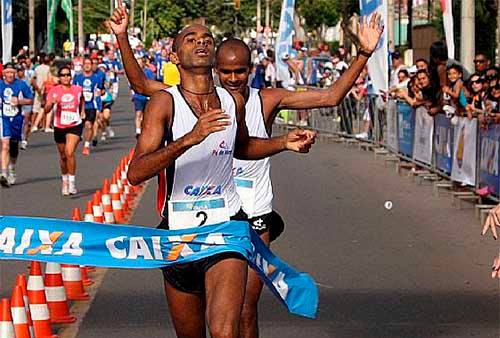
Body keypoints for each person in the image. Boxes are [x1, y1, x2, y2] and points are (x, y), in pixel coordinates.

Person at [109, 5, 382, 337]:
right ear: (176, 57)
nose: (201, 42)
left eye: (207, 38)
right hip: (179, 233)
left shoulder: (234, 102)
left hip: (232, 226)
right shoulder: (164, 102)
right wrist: (190, 138)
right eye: (191, 38)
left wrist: (284, 142)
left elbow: (244, 147)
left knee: (232, 324)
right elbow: (136, 172)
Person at [44, 66, 85, 195]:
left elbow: (82, 99)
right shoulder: (54, 91)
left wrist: (82, 111)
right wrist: (52, 103)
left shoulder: (77, 89)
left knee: (69, 152)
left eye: (68, 75)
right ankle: (65, 180)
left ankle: (72, 182)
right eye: (63, 75)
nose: (66, 77)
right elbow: (46, 110)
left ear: (71, 77)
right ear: (59, 77)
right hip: (60, 126)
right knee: (62, 156)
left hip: (75, 124)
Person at [0, 63, 34, 187]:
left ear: (15, 73)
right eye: (7, 72)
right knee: (5, 145)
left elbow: (30, 99)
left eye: (11, 72)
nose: (9, 75)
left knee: (13, 148)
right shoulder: (0, 84)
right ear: (3, 73)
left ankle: (12, 170)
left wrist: (19, 101)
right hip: (3, 118)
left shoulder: (21, 84)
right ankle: (3, 174)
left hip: (16, 118)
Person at [73, 57, 101, 155]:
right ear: (83, 65)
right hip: (78, 106)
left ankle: (86, 145)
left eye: (90, 63)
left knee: (89, 126)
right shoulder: (78, 78)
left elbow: (99, 92)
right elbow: (73, 91)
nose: (88, 65)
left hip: (91, 106)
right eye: (86, 63)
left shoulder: (96, 78)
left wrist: (99, 108)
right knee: (78, 128)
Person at [131, 55, 155, 138]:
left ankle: (144, 129)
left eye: (140, 63)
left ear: (143, 64)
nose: (138, 65)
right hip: (138, 97)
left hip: (147, 97)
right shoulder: (134, 72)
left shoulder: (148, 72)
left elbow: (152, 83)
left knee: (146, 115)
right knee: (138, 113)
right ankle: (138, 131)